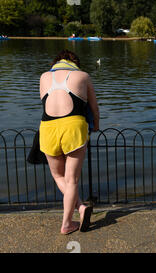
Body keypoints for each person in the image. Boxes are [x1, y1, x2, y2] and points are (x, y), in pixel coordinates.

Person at [39, 49, 100, 234]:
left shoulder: (43, 77)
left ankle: (80, 208)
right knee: (71, 179)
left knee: (58, 176)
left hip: (48, 128)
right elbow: (94, 107)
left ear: (55, 62)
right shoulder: (83, 76)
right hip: (73, 127)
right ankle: (68, 222)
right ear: (75, 63)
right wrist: (96, 126)